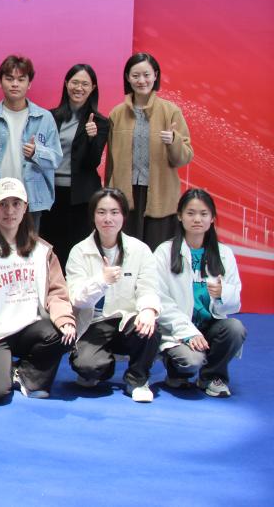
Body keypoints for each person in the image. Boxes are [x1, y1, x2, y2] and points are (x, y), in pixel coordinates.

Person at [0, 177, 75, 404]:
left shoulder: (42, 250)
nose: (10, 211)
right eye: (2, 204)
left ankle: (24, 372)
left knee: (64, 334)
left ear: (25, 207)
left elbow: (57, 292)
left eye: (16, 204)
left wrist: (65, 319)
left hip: (32, 328)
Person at [65, 188, 161, 403]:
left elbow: (149, 288)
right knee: (88, 367)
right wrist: (102, 280)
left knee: (151, 327)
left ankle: (137, 379)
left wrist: (148, 310)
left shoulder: (140, 250)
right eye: (101, 212)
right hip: (94, 324)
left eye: (114, 212)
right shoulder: (79, 252)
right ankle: (102, 367)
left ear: (124, 216)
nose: (108, 218)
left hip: (127, 321)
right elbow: (76, 298)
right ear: (93, 216)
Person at [155, 189, 246, 397]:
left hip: (211, 328)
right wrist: (188, 332)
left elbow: (235, 304)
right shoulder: (164, 252)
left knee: (235, 328)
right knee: (191, 361)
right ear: (180, 216)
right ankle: (176, 373)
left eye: (204, 214)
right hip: (179, 329)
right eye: (191, 213)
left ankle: (212, 377)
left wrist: (223, 294)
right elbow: (160, 300)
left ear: (212, 218)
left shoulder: (224, 254)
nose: (197, 219)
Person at [106, 52, 193, 250]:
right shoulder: (117, 113)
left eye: (146, 75)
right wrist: (108, 193)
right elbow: (111, 160)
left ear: (155, 75)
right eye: (135, 75)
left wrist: (174, 141)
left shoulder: (171, 111)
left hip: (159, 193)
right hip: (125, 192)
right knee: (126, 251)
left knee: (158, 251)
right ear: (127, 77)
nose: (141, 80)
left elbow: (186, 156)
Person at [40, 64, 111, 268]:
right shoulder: (50, 117)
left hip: (81, 197)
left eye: (85, 84)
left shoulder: (100, 122)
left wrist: (92, 138)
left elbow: (93, 162)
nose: (79, 88)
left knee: (78, 250)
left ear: (93, 88)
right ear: (66, 84)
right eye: (75, 82)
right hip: (51, 194)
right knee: (51, 248)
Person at [0, 55, 61, 231]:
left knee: (29, 247)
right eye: (9, 79)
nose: (15, 84)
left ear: (29, 83)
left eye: (21, 79)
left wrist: (36, 153)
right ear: (0, 82)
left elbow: (56, 159)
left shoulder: (44, 118)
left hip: (30, 198)